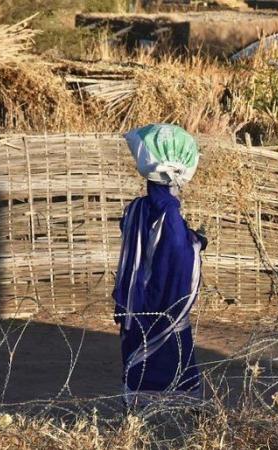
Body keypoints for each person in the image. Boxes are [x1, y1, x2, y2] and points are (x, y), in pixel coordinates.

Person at [112, 124, 206, 408]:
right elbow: (178, 253)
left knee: (138, 359)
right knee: (176, 360)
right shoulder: (168, 212)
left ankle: (134, 416)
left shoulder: (138, 208)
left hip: (136, 303)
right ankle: (191, 415)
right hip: (162, 306)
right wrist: (198, 243)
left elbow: (141, 241)